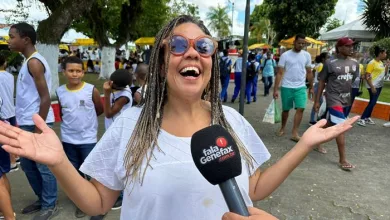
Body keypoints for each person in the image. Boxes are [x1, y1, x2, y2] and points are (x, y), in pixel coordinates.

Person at [0, 15, 358, 220]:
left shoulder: (231, 123)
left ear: (212, 62)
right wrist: (60, 161)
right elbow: (97, 203)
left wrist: (304, 145)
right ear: (159, 64)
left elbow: (254, 190)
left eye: (204, 46)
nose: (193, 53)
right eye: (176, 46)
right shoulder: (129, 125)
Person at [8, 22, 59, 219]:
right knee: (28, 166)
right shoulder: (27, 61)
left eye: (12, 36)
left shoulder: (34, 62)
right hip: (27, 122)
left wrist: (40, 128)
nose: (9, 40)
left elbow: (46, 98)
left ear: (26, 39)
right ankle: (42, 198)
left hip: (36, 123)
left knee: (42, 166)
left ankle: (50, 204)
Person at [56, 56, 104, 218]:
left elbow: (99, 110)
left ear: (83, 73)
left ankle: (99, 204)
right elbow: (63, 114)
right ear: (64, 72)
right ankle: (83, 202)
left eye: (78, 71)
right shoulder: (60, 91)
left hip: (88, 140)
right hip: (68, 139)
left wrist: (87, 126)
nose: (74, 74)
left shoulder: (91, 90)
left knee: (91, 172)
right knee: (75, 173)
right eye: (71, 71)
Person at [314, 37, 359, 171]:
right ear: (339, 48)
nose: (351, 48)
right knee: (341, 126)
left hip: (346, 98)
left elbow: (353, 79)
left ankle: (316, 139)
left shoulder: (354, 63)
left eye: (352, 46)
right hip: (333, 98)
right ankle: (342, 160)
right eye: (348, 46)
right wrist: (317, 100)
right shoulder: (329, 63)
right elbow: (322, 81)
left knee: (332, 123)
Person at [273, 34, 314, 142]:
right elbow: (279, 73)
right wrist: (275, 89)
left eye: (303, 43)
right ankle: (282, 127)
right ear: (294, 42)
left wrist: (311, 87)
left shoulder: (306, 55)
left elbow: (309, 72)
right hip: (286, 87)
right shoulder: (285, 55)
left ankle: (295, 133)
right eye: (299, 43)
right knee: (286, 110)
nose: (301, 45)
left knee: (301, 108)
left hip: (300, 87)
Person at [357, 46, 389, 126]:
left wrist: (387, 66)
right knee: (372, 102)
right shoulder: (372, 63)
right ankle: (362, 118)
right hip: (373, 85)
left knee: (373, 102)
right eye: (384, 53)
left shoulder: (381, 63)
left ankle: (367, 117)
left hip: (379, 85)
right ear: (380, 53)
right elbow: (367, 76)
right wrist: (372, 87)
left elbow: (384, 74)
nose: (386, 54)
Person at [0, 55, 18, 172]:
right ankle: (16, 157)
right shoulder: (10, 76)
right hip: (11, 109)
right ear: (5, 63)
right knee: (13, 137)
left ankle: (12, 162)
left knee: (4, 140)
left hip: (2, 112)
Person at [309, 52, 329, 125]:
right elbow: (319, 77)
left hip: (317, 84)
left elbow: (314, 72)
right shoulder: (322, 65)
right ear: (323, 58)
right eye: (328, 57)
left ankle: (315, 118)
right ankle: (312, 120)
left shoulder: (318, 65)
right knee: (318, 103)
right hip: (319, 85)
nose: (329, 59)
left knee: (319, 102)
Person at [345, 52, 364, 117]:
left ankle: (344, 115)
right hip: (353, 85)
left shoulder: (351, 62)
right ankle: (345, 115)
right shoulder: (355, 63)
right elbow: (354, 75)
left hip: (351, 84)